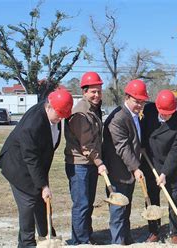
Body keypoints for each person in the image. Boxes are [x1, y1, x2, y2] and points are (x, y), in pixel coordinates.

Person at [0, 88, 73, 247]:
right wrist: (43, 185)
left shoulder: (54, 117)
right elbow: (31, 157)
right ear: (49, 106)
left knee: (43, 203)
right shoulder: (33, 123)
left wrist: (43, 184)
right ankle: (26, 243)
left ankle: (47, 238)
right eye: (58, 114)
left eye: (63, 115)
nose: (60, 119)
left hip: (36, 166)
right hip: (18, 167)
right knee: (29, 205)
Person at [102, 80, 148, 244]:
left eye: (142, 101)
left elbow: (133, 140)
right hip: (118, 173)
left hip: (127, 172)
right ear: (127, 97)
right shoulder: (118, 118)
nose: (140, 105)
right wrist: (136, 168)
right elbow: (122, 147)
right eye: (137, 101)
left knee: (126, 209)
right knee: (118, 212)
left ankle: (125, 240)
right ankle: (117, 242)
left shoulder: (134, 115)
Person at [140, 89, 177, 244]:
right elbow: (142, 130)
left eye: (169, 113)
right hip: (150, 161)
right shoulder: (149, 110)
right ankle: (154, 231)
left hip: (170, 165)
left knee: (173, 197)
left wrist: (164, 173)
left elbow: (176, 151)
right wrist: (141, 146)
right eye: (163, 113)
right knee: (152, 198)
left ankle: (175, 232)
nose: (166, 116)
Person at [64, 71, 107, 245]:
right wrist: (100, 163)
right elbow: (86, 146)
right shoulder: (80, 114)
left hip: (89, 164)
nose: (96, 95)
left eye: (99, 91)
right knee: (81, 204)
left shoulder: (94, 109)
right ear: (84, 92)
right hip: (79, 165)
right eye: (93, 92)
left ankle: (86, 235)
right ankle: (79, 241)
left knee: (88, 204)